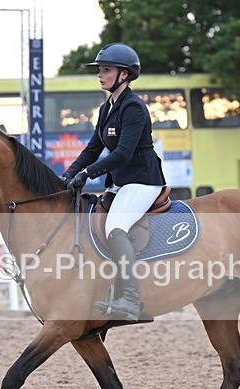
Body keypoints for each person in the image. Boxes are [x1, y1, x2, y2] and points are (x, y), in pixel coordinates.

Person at [62, 43, 166, 321]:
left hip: (143, 181)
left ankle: (131, 300)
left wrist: (88, 174)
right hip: (121, 183)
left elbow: (122, 153)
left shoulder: (133, 108)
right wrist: (70, 174)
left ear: (124, 74)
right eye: (100, 70)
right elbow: (92, 149)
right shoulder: (107, 107)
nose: (100, 74)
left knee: (115, 227)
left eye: (106, 70)